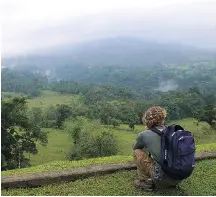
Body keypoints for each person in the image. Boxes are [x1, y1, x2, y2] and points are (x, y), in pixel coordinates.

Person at [133, 106, 181, 191]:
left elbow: (136, 147)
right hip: (180, 176)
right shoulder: (173, 131)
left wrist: (146, 135)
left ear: (147, 120)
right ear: (163, 118)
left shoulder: (144, 134)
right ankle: (172, 181)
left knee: (137, 152)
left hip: (161, 179)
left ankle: (145, 181)